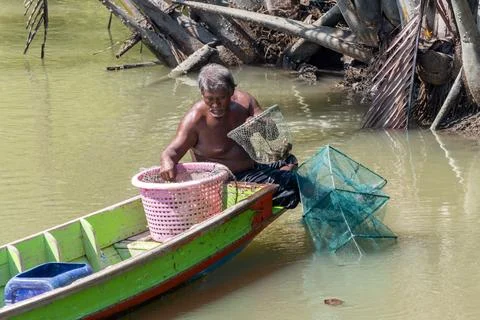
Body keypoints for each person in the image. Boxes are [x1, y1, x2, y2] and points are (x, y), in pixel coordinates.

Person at [160, 63, 300, 209]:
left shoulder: (245, 102)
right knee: (295, 184)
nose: (216, 104)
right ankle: (275, 185)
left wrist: (259, 124)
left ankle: (275, 180)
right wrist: (166, 161)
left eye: (221, 98)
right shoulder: (194, 119)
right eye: (209, 99)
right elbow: (172, 152)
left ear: (232, 91)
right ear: (202, 93)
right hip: (229, 181)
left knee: (289, 159)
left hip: (253, 165)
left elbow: (272, 135)